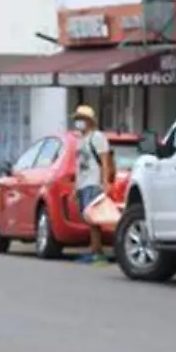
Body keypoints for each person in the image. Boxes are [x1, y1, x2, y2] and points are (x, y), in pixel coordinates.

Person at [72, 104, 115, 265]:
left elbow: (104, 161)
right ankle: (94, 250)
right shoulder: (81, 140)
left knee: (94, 220)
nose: (78, 122)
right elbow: (78, 166)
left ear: (88, 121)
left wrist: (104, 182)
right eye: (77, 119)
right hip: (83, 184)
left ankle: (97, 252)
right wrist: (75, 188)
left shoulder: (97, 137)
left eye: (81, 119)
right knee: (89, 219)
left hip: (93, 183)